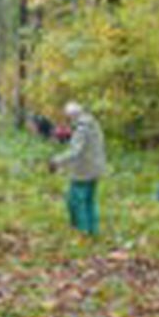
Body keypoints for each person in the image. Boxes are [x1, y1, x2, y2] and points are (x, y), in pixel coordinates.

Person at [48, 101, 106, 235]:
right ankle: (93, 230)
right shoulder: (92, 123)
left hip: (84, 170)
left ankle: (82, 231)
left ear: (71, 116)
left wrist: (56, 161)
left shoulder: (81, 128)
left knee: (76, 201)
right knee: (89, 201)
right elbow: (86, 144)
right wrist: (68, 136)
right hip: (95, 168)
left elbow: (76, 151)